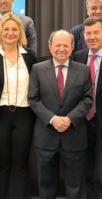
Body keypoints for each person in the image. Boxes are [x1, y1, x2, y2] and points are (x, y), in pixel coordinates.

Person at [28, 30, 93, 198]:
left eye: (66, 45)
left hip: (74, 136)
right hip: (46, 136)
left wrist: (69, 119)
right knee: (46, 185)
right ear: (50, 47)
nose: (61, 49)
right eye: (58, 45)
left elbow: (87, 100)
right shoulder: (37, 69)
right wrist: (53, 119)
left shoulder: (84, 70)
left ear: (72, 48)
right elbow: (33, 99)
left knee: (75, 184)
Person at [0, 14, 36, 198]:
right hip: (0, 115)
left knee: (20, 162)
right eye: (6, 29)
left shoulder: (29, 57)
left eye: (14, 29)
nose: (10, 32)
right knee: (1, 162)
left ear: (20, 32)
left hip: (24, 114)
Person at [73, 17, 102, 198]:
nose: (92, 37)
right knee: (83, 168)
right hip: (82, 120)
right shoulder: (78, 56)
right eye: (88, 33)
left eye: (96, 33)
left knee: (100, 171)